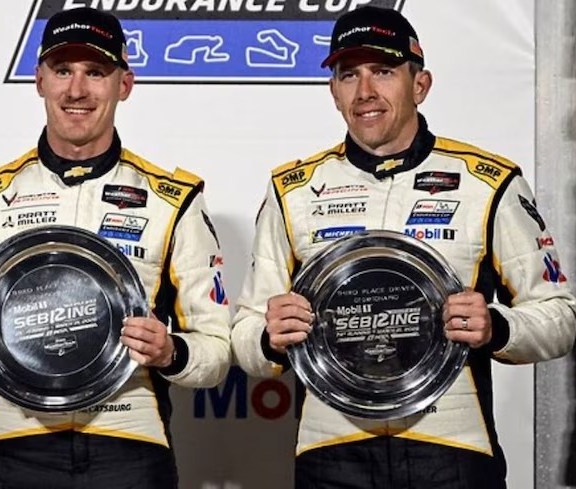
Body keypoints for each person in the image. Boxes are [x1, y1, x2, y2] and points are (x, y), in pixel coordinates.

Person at [231, 6, 576, 488]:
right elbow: (245, 333)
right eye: (348, 75)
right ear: (333, 91)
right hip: (332, 453)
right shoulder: (293, 190)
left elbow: (560, 317)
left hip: (453, 451)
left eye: (383, 71)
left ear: (420, 84)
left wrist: (497, 326)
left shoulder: (488, 182)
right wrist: (269, 338)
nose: (365, 92)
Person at [0, 7, 231, 488]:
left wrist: (170, 351)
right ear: (39, 80)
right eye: (63, 70)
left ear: (124, 85)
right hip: (16, 442)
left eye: (95, 72)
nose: (76, 90)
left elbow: (216, 350)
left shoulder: (173, 201)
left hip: (130, 443)